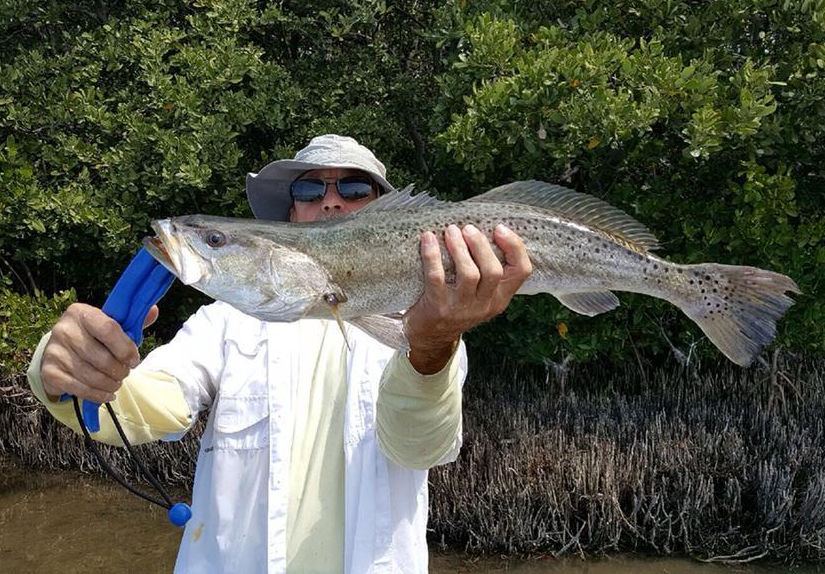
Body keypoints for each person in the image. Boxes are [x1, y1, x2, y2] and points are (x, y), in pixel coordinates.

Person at [27, 134, 533, 573]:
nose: (330, 202)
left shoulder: (430, 325)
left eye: (355, 190)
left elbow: (420, 449)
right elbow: (137, 409)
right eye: (310, 190)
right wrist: (67, 370)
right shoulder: (223, 324)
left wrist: (431, 344)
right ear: (291, 217)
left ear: (385, 211)